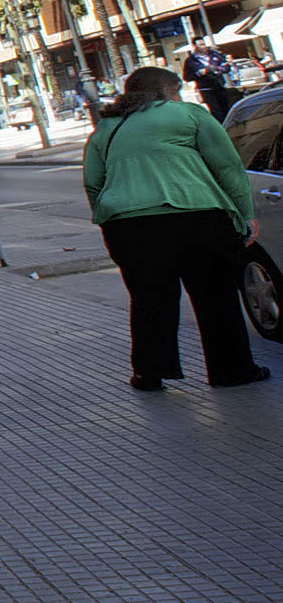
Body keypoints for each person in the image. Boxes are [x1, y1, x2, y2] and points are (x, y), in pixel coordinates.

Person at [84, 66, 270, 391]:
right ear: (167, 92)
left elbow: (93, 183)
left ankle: (148, 374)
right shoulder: (189, 114)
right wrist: (245, 213)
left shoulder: (106, 128)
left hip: (128, 226)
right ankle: (231, 371)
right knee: (215, 297)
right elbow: (227, 166)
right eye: (177, 91)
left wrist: (110, 216)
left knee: (149, 299)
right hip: (197, 217)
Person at [181, 38, 240, 122]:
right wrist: (199, 73)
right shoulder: (190, 60)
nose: (204, 46)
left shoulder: (215, 55)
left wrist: (216, 69)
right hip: (206, 89)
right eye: (201, 44)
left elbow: (226, 68)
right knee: (216, 112)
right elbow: (186, 77)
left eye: (204, 44)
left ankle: (232, 126)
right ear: (195, 46)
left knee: (227, 108)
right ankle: (223, 129)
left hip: (220, 86)